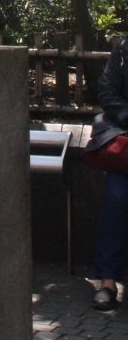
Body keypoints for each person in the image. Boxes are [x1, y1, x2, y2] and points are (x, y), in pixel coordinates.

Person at [88, 36, 128, 311]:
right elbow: (107, 91)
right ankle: (108, 280)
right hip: (127, 139)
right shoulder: (124, 47)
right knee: (117, 198)